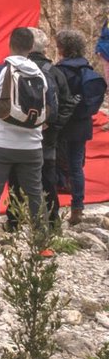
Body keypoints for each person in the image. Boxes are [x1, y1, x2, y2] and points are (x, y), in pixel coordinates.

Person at [0, 28, 57, 255]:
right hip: (32, 146)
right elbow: (52, 110)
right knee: (35, 193)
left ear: (10, 45)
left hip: (0, 144)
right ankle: (42, 244)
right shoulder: (43, 75)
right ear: (31, 47)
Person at [7, 29, 75, 228]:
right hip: (48, 137)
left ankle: (14, 222)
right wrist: (54, 126)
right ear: (43, 48)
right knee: (47, 179)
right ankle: (52, 222)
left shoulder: (12, 69)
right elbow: (67, 103)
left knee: (15, 179)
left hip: (18, 134)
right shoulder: (54, 72)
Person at [55, 29, 107, 225]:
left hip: (61, 125)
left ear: (62, 49)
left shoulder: (60, 71)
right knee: (77, 166)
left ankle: (52, 205)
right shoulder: (88, 71)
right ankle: (77, 208)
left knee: (52, 161)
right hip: (82, 124)